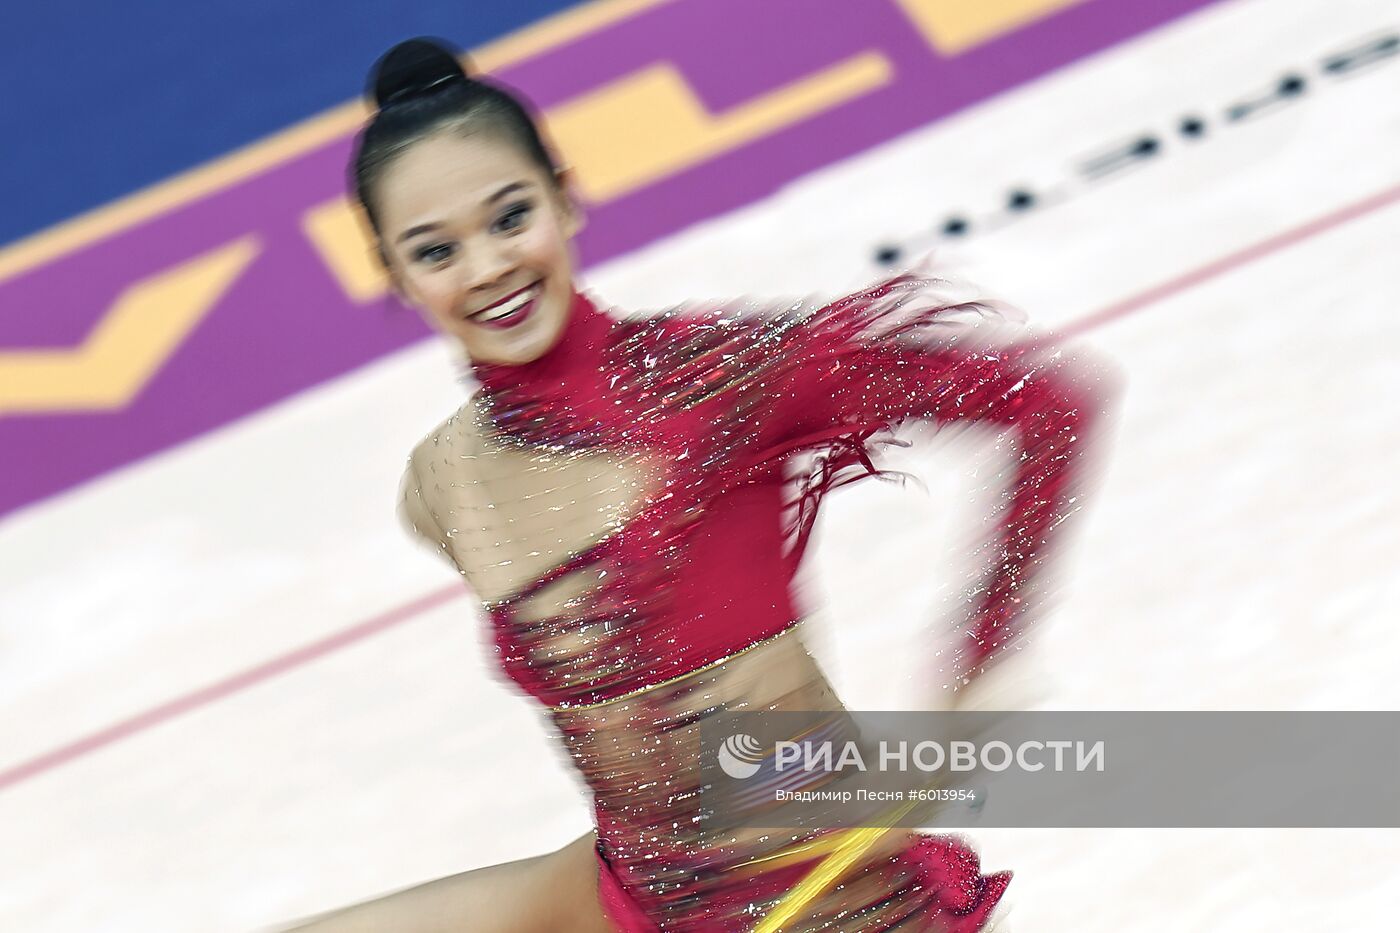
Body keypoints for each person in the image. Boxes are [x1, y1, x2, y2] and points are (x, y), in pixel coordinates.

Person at [286, 36, 1114, 933]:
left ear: (563, 197)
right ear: (395, 275)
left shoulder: (712, 383)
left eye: (509, 217)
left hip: (832, 897)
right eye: (436, 251)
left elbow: (1045, 407)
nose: (487, 268)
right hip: (637, 897)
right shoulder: (439, 484)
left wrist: (973, 683)